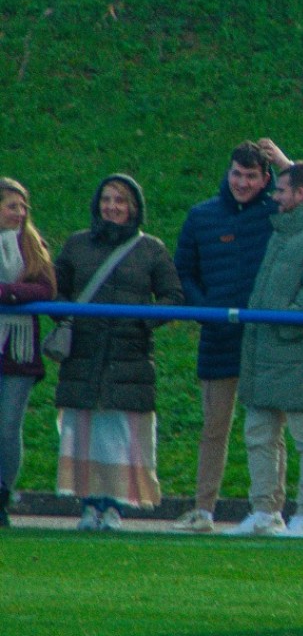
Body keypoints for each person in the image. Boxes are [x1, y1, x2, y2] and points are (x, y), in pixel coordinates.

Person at [54, 175, 183, 529]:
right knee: (85, 431)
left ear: (134, 208)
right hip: (84, 351)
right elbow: (57, 289)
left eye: (120, 201)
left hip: (128, 356)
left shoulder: (151, 249)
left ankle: (114, 506)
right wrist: (69, 316)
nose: (112, 207)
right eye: (107, 199)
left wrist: (140, 322)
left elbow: (173, 296)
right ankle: (89, 505)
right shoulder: (77, 245)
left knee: (118, 435)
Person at [232, 148, 303, 537]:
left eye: (281, 189)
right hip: (267, 350)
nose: (275, 196)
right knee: (260, 434)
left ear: (301, 195)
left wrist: (281, 328)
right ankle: (265, 511)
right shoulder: (285, 231)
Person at [172, 140, 275, 531]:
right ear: (227, 172)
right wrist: (207, 312)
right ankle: (203, 510)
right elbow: (184, 272)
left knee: (266, 428)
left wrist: (284, 160)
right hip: (218, 338)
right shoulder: (202, 216)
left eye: (251, 176)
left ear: (266, 178)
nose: (242, 182)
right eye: (237, 173)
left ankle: (267, 509)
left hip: (263, 339)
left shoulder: (277, 213)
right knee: (214, 428)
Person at [0, 179, 56, 527]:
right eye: (11, 206)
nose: (19, 213)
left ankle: (3, 493)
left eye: (23, 207)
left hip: (20, 351)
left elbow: (46, 288)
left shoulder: (33, 244)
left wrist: (6, 292)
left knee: (8, 427)